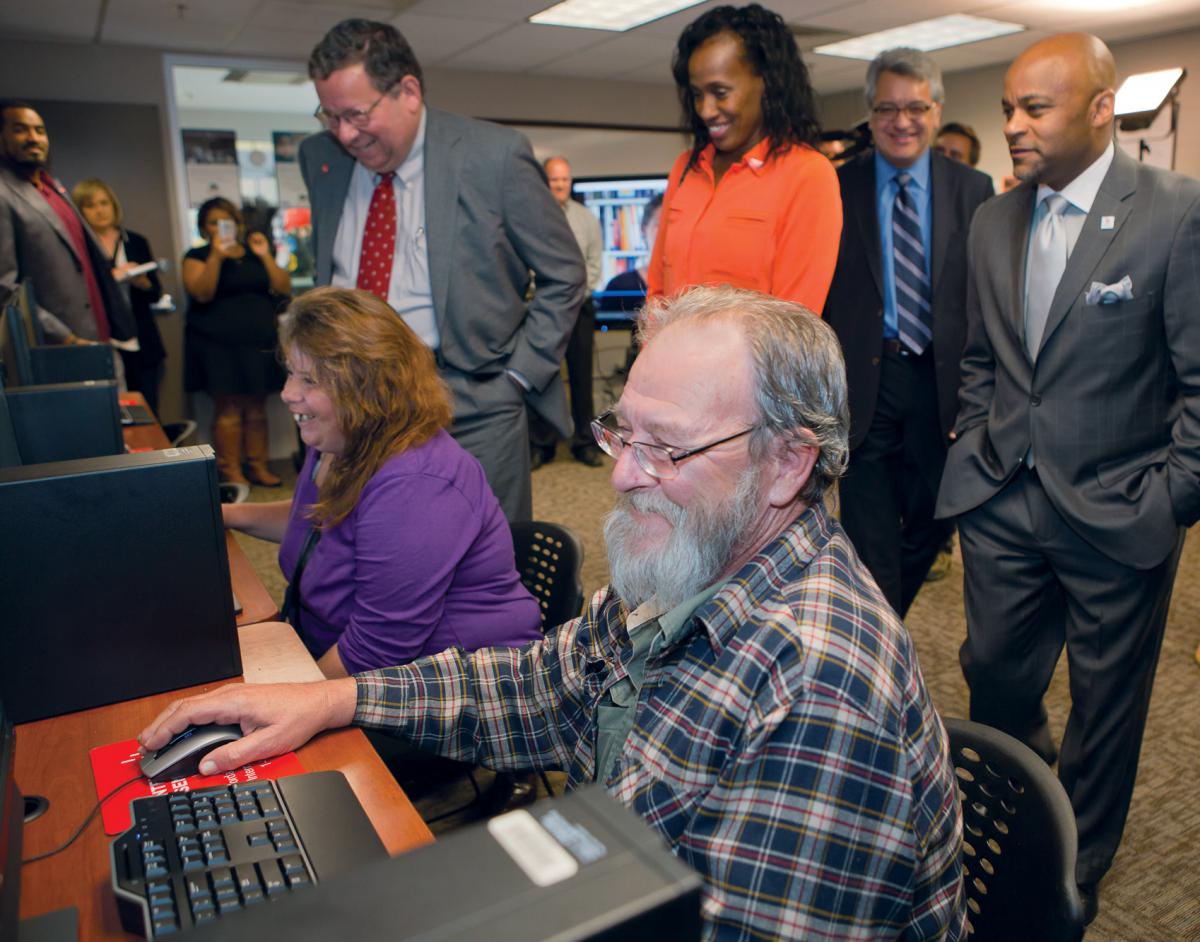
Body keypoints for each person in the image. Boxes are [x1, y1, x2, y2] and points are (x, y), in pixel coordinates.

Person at [141, 285, 965, 941]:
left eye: (666, 448)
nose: (622, 476)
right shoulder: (692, 559)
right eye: (621, 435)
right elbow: (538, 685)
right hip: (602, 875)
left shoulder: (819, 681)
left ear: (788, 465)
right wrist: (328, 699)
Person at [934, 33, 1200, 924]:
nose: (1011, 125)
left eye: (1033, 108)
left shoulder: (1174, 213)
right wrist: (976, 441)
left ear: (1098, 107)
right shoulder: (993, 218)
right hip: (1003, 502)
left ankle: (1067, 880)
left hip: (1121, 513)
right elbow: (982, 358)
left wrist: (1171, 498)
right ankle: (1020, 815)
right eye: (1007, 107)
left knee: (1106, 711)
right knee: (997, 679)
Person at [300, 18, 585, 523]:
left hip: (470, 398)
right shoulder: (319, 158)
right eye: (330, 116)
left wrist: (517, 377)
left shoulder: (493, 156)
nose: (344, 134)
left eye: (357, 114)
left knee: (483, 559)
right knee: (366, 547)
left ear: (408, 91)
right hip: (355, 401)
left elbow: (564, 273)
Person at [223, 286, 542, 677]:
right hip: (343, 656)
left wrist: (283, 703)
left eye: (310, 381)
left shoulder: (416, 483)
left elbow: (378, 648)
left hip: (453, 686)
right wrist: (226, 514)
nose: (289, 393)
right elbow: (314, 520)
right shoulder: (340, 437)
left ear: (367, 390)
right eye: (291, 372)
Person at [824, 48, 993, 618]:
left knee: (935, 521)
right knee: (868, 536)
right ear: (870, 115)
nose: (902, 121)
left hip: (942, 382)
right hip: (868, 382)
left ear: (937, 108)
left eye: (915, 107)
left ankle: (881, 623)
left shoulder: (973, 188)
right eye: (887, 109)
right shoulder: (836, 187)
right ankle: (881, 641)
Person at [647, 4, 841, 312]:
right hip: (671, 358)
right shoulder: (685, 168)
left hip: (753, 361)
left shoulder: (808, 174)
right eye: (697, 94)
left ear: (766, 84)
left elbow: (795, 320)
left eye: (720, 92)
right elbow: (657, 293)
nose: (705, 110)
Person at [0, 100, 135, 353]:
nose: (34, 138)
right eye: (20, 129)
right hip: (59, 347)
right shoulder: (4, 194)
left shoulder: (53, 188)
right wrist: (65, 338)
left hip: (101, 338)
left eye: (39, 130)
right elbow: (4, 289)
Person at [183, 196, 291, 487]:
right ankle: (230, 471)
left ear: (238, 224)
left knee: (257, 407)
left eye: (226, 222)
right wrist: (217, 256)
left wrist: (266, 254)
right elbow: (201, 293)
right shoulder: (197, 256)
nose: (220, 228)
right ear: (203, 228)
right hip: (217, 345)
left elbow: (283, 287)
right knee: (228, 409)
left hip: (257, 340)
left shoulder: (255, 253)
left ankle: (259, 466)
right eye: (212, 223)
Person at [530, 157, 604, 469]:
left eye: (564, 179)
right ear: (544, 182)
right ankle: (542, 445)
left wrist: (570, 295)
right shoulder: (531, 217)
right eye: (553, 180)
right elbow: (527, 264)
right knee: (543, 378)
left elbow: (594, 265)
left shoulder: (587, 218)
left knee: (581, 377)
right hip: (542, 308)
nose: (560, 185)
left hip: (579, 308)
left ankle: (584, 444)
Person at [71, 178, 167, 415]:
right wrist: (111, 276)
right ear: (80, 211)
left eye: (104, 203)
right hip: (102, 338)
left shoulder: (135, 241)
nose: (100, 210)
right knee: (111, 411)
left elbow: (155, 292)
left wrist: (143, 282)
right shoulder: (79, 247)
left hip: (141, 337)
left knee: (147, 409)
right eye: (91, 205)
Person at [597, 193, 661, 315]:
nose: (666, 233)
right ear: (643, 229)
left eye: (671, 225)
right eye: (659, 225)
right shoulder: (619, 286)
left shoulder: (692, 289)